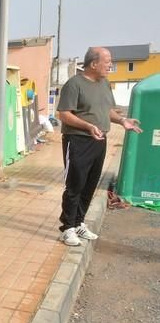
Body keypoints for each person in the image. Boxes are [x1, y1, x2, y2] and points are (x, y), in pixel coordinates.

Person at [56, 47, 142, 246]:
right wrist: (87, 126)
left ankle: (79, 223)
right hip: (77, 140)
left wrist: (122, 121)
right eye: (107, 61)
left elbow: (107, 111)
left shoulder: (104, 84)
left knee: (90, 185)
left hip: (99, 140)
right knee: (75, 185)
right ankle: (67, 228)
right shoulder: (74, 84)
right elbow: (64, 114)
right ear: (93, 64)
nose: (110, 65)